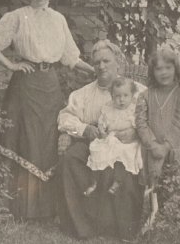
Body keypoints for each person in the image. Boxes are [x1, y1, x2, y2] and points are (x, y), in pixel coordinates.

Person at [0, 0, 94, 221]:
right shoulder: (18, 17)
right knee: (26, 139)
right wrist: (11, 64)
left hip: (50, 85)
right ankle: (20, 208)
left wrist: (95, 71)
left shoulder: (58, 20)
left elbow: (70, 57)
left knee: (47, 140)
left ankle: (46, 209)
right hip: (26, 85)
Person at [58, 39, 146, 241]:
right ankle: (83, 226)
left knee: (120, 165)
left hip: (127, 145)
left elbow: (153, 118)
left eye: (106, 61)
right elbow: (65, 117)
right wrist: (84, 128)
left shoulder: (137, 91)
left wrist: (136, 130)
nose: (101, 66)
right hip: (96, 143)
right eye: (97, 62)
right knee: (71, 158)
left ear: (118, 63)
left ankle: (119, 227)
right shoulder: (83, 94)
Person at [135, 48, 180, 227]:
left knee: (171, 177)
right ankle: (151, 212)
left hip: (172, 145)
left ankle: (169, 215)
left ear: (176, 69)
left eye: (168, 67)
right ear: (152, 72)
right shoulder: (146, 95)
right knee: (150, 174)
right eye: (159, 69)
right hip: (150, 145)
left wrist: (165, 146)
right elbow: (141, 122)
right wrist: (152, 144)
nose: (164, 72)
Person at [84, 77, 142, 197]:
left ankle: (117, 181)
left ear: (132, 96)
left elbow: (139, 126)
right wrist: (102, 131)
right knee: (98, 150)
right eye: (117, 96)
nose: (121, 100)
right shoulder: (108, 108)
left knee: (122, 155)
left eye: (126, 96)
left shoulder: (133, 110)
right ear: (112, 96)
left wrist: (133, 131)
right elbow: (102, 123)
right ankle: (94, 182)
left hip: (127, 142)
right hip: (110, 138)